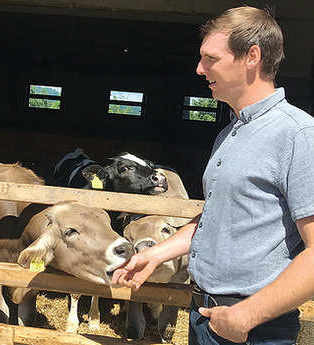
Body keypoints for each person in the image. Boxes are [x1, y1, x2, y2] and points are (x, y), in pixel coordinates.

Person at [112, 6, 314, 345]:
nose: (199, 68)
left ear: (252, 56)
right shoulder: (232, 131)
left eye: (211, 58)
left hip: (252, 326)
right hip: (205, 312)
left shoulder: (298, 135)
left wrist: (245, 316)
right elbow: (218, 216)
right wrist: (156, 253)